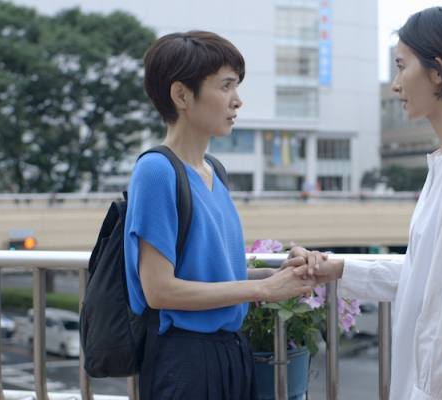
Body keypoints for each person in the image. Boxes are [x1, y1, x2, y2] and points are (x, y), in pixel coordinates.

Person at [295, 7, 442, 400]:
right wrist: (339, 269)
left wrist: (423, 394)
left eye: (401, 66)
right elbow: (425, 275)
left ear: (437, 72)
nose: (395, 84)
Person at [126, 31, 319, 400]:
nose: (237, 100)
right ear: (181, 95)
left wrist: (278, 273)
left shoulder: (213, 170)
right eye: (226, 85)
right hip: (185, 359)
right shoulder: (156, 171)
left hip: (230, 351)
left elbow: (211, 275)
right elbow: (159, 289)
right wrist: (263, 289)